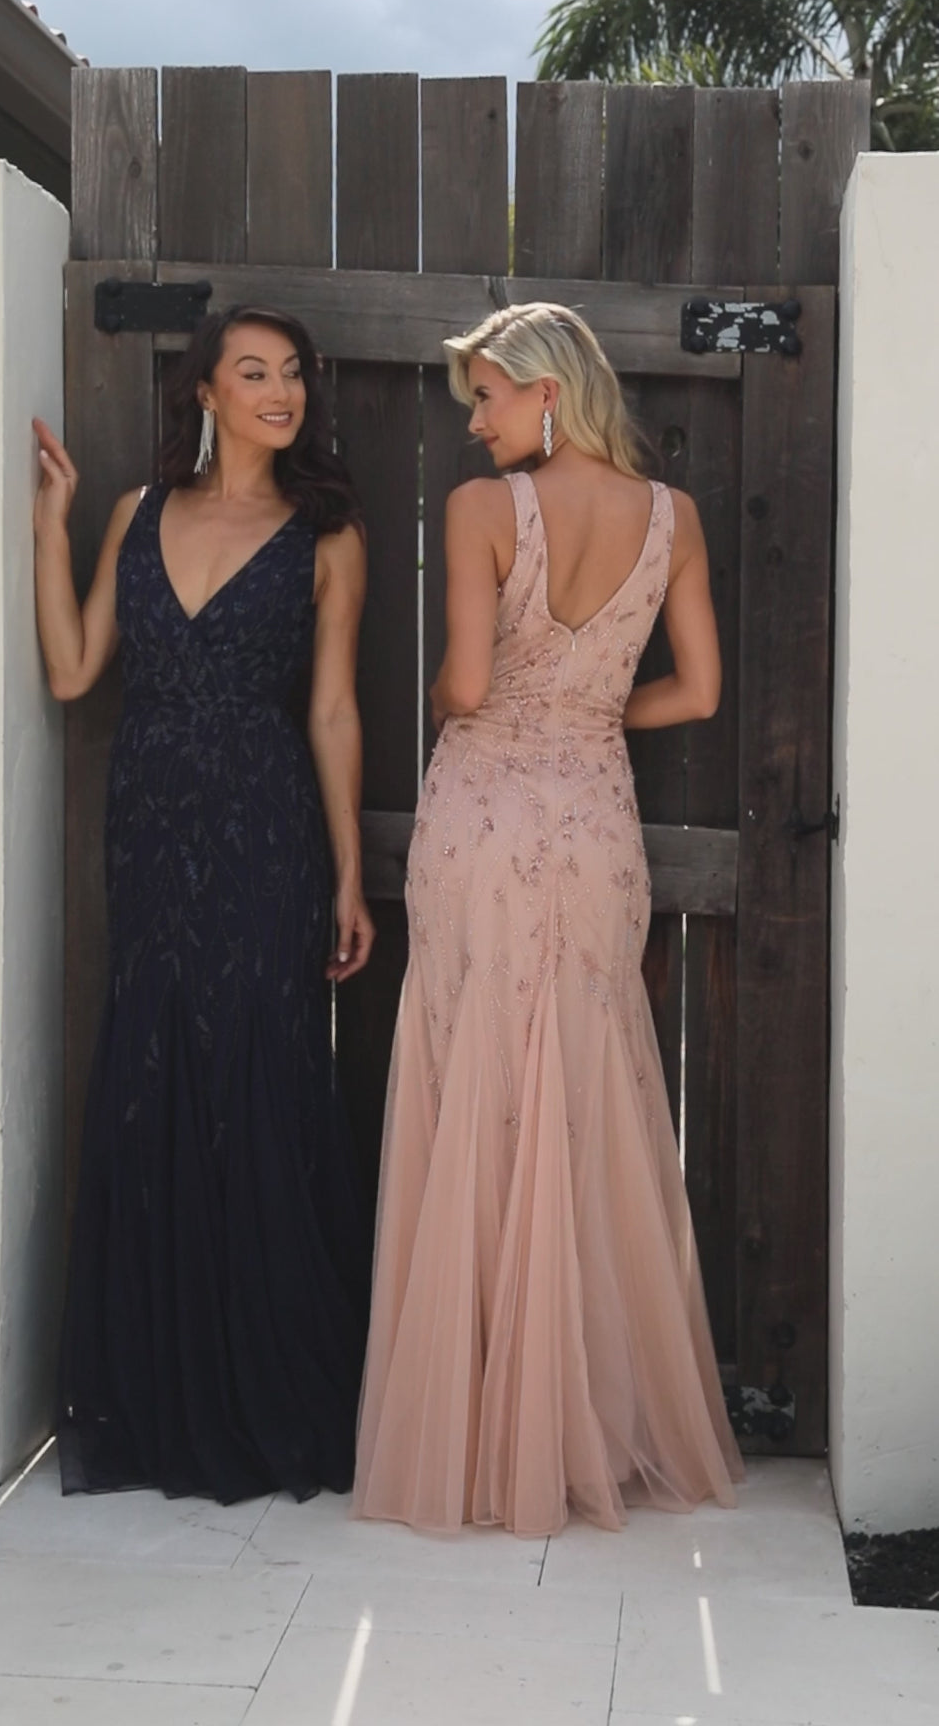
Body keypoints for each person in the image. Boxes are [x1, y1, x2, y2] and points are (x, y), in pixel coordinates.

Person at [353, 301, 744, 1536]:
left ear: (546, 394)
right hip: (592, 820)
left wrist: (446, 694)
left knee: (474, 1070)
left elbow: (468, 684)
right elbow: (698, 691)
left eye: (484, 397)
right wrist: (590, 714)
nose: (472, 423)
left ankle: (476, 1425)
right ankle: (581, 1426)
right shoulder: (672, 518)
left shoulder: (483, 510)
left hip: (482, 817)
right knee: (582, 1080)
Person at [34, 305, 374, 1505]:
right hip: (150, 826)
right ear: (206, 393)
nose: (281, 392)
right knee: (154, 1073)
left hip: (264, 829)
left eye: (294, 375)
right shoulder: (136, 513)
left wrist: (347, 872)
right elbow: (74, 669)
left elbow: (331, 711)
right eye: (255, 373)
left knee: (259, 1076)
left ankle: (267, 1389)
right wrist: (51, 522)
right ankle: (157, 1394)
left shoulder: (328, 534)